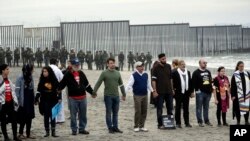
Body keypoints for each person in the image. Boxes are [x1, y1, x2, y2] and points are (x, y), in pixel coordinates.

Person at [58, 58, 94, 135]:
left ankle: (82, 128)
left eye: (78, 65)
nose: (77, 66)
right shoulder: (67, 74)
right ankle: (74, 130)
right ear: (72, 65)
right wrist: (58, 89)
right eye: (75, 65)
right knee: (73, 115)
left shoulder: (81, 73)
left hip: (83, 97)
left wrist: (92, 92)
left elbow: (87, 85)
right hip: (72, 98)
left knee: (83, 115)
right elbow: (62, 84)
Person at [93, 58, 126, 134]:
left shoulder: (117, 73)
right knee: (108, 113)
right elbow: (99, 82)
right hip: (108, 96)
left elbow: (121, 84)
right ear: (107, 64)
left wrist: (124, 94)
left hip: (116, 96)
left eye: (113, 63)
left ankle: (115, 127)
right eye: (111, 63)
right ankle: (110, 128)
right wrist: (94, 92)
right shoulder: (104, 73)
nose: (112, 64)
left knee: (115, 113)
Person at [126, 61, 153, 132]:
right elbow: (129, 85)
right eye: (140, 66)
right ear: (137, 67)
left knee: (144, 111)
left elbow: (148, 85)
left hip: (145, 95)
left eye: (143, 66)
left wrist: (153, 91)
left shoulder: (146, 74)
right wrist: (124, 93)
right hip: (137, 95)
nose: (142, 68)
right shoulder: (133, 75)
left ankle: (142, 126)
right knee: (138, 111)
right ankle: (136, 126)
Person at [35, 66, 61, 137]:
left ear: (49, 72)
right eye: (43, 71)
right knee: (46, 116)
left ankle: (53, 131)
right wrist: (36, 98)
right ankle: (47, 131)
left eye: (46, 71)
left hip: (53, 100)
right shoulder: (42, 80)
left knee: (53, 116)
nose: (44, 73)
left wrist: (59, 98)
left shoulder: (54, 79)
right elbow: (38, 90)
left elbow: (58, 89)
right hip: (44, 100)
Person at [151, 53, 174, 129]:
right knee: (159, 108)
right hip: (160, 92)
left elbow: (171, 79)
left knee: (170, 107)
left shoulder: (168, 66)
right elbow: (153, 80)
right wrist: (154, 91)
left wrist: (172, 89)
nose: (164, 60)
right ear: (159, 59)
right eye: (163, 59)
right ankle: (160, 124)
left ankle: (170, 124)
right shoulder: (155, 68)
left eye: (165, 58)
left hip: (169, 91)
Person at [0, 64, 22, 141]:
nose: (8, 70)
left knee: (14, 120)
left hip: (10, 103)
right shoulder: (0, 80)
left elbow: (12, 90)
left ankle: (15, 136)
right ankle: (6, 137)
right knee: (3, 120)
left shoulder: (9, 80)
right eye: (7, 69)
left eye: (8, 69)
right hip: (3, 104)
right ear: (2, 71)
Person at [15, 64, 36, 139]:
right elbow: (17, 91)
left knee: (29, 117)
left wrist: (34, 99)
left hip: (30, 99)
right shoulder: (20, 78)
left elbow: (32, 88)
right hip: (23, 100)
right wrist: (17, 101)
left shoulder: (30, 76)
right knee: (23, 117)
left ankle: (28, 133)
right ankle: (20, 133)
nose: (33, 70)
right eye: (32, 69)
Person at [172, 60, 194, 128]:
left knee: (186, 108)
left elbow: (190, 83)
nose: (183, 65)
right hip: (178, 92)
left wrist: (191, 92)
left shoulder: (188, 72)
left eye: (184, 64)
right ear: (178, 65)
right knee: (178, 108)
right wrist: (173, 89)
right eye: (182, 64)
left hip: (186, 92)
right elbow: (172, 82)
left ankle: (187, 122)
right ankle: (178, 123)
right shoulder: (175, 72)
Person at [192, 59, 213, 127]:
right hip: (200, 93)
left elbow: (210, 81)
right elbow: (193, 83)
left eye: (206, 63)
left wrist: (211, 89)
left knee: (206, 107)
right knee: (199, 107)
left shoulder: (208, 71)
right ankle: (200, 121)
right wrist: (195, 91)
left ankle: (206, 121)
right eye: (204, 63)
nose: (205, 64)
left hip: (208, 93)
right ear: (200, 64)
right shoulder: (196, 72)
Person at [49, 58, 65, 123]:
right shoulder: (57, 70)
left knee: (50, 104)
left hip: (48, 88)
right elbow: (62, 79)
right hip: (57, 88)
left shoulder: (47, 68)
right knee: (58, 102)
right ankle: (59, 119)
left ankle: (51, 118)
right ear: (56, 62)